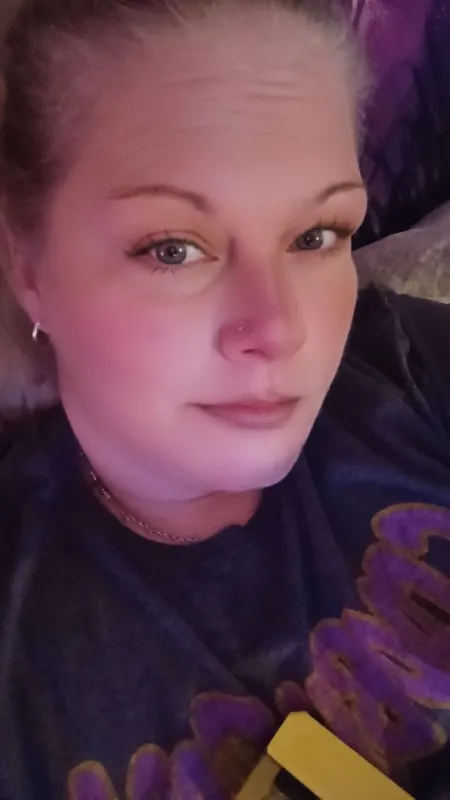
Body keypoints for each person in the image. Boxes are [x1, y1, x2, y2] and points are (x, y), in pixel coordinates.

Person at [0, 0, 449, 797]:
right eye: (174, 249)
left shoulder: (414, 372)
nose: (278, 329)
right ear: (26, 264)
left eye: (317, 235)